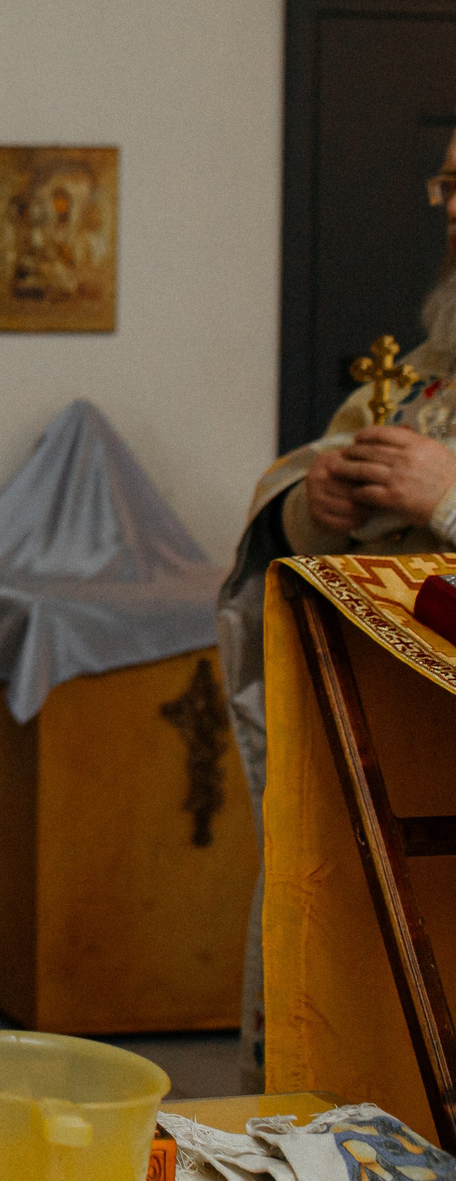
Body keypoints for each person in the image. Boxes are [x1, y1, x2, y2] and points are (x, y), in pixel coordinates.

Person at [218, 126, 456, 1088]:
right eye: (447, 181)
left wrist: (447, 496)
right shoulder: (425, 372)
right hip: (377, 761)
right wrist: (311, 507)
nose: (451, 209)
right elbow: (298, 504)